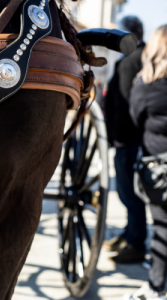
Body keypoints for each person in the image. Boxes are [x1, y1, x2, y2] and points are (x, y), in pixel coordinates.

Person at [124, 24, 167, 300]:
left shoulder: (145, 84)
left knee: (162, 228)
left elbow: (136, 118)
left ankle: (156, 286)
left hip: (158, 166)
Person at [102, 16, 148, 264]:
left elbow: (128, 104)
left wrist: (120, 137)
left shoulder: (132, 59)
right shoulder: (137, 57)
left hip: (128, 141)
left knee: (130, 194)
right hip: (130, 139)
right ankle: (130, 234)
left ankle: (136, 243)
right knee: (129, 194)